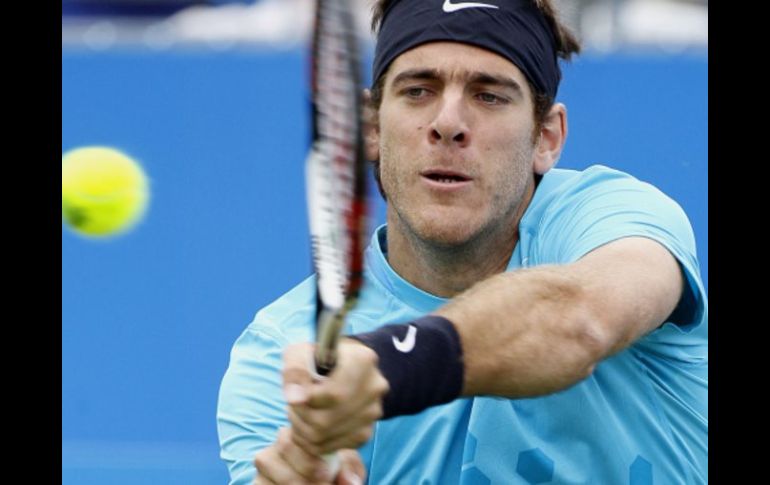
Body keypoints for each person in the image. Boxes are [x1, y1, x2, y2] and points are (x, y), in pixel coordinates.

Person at [217, 0, 708, 483]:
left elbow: (577, 319)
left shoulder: (609, 217)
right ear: (371, 127)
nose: (448, 123)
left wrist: (389, 364)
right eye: (418, 91)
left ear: (547, 138)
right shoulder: (279, 350)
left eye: (489, 95)